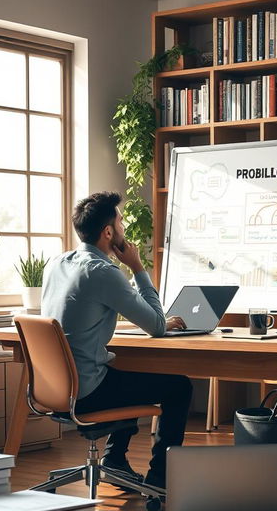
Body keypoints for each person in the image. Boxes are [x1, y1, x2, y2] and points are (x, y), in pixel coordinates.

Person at [41, 191, 193, 493]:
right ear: (108, 232)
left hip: (53, 389)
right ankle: (160, 481)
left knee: (128, 373)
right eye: (120, 223)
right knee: (180, 387)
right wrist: (137, 267)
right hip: (86, 392)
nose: (123, 229)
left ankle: (114, 459)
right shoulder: (103, 271)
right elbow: (158, 326)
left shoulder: (56, 263)